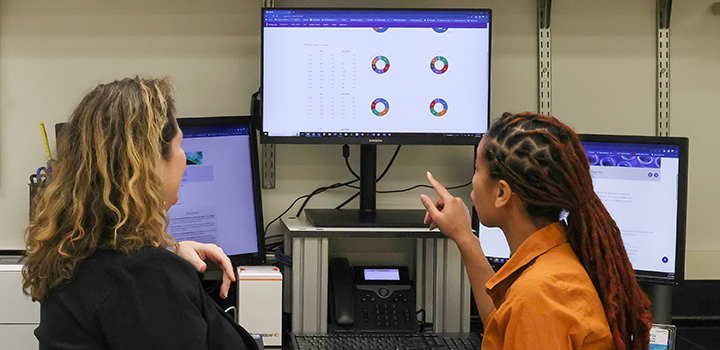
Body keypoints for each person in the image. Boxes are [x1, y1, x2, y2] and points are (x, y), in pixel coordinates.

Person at [22, 77, 257, 350]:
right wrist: (166, 272)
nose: (184, 159)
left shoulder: (72, 254)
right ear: (149, 166)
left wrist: (168, 257)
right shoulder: (145, 280)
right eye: (180, 146)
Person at [420, 112, 653, 350]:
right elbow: (501, 326)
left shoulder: (537, 295)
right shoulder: (557, 258)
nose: (473, 181)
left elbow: (522, 316)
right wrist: (464, 236)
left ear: (501, 193)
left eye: (477, 169)